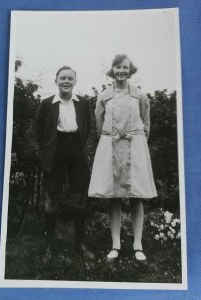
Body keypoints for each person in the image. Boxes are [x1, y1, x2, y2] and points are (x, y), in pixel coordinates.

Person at [88, 54, 157, 261]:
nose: (121, 71)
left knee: (136, 196)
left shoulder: (139, 96)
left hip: (134, 148)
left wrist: (137, 140)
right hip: (111, 146)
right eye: (117, 67)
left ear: (130, 70)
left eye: (124, 67)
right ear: (112, 70)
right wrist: (110, 137)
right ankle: (115, 244)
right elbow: (99, 121)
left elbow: (145, 123)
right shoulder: (104, 96)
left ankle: (138, 244)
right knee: (114, 196)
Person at [35, 66, 94, 259]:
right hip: (55, 150)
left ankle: (80, 244)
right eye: (63, 78)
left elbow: (87, 127)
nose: (66, 81)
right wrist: (49, 147)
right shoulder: (46, 104)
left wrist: (77, 145)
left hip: (76, 149)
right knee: (52, 199)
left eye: (70, 78)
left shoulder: (84, 103)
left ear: (75, 81)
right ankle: (48, 247)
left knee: (79, 198)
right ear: (56, 81)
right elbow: (39, 129)